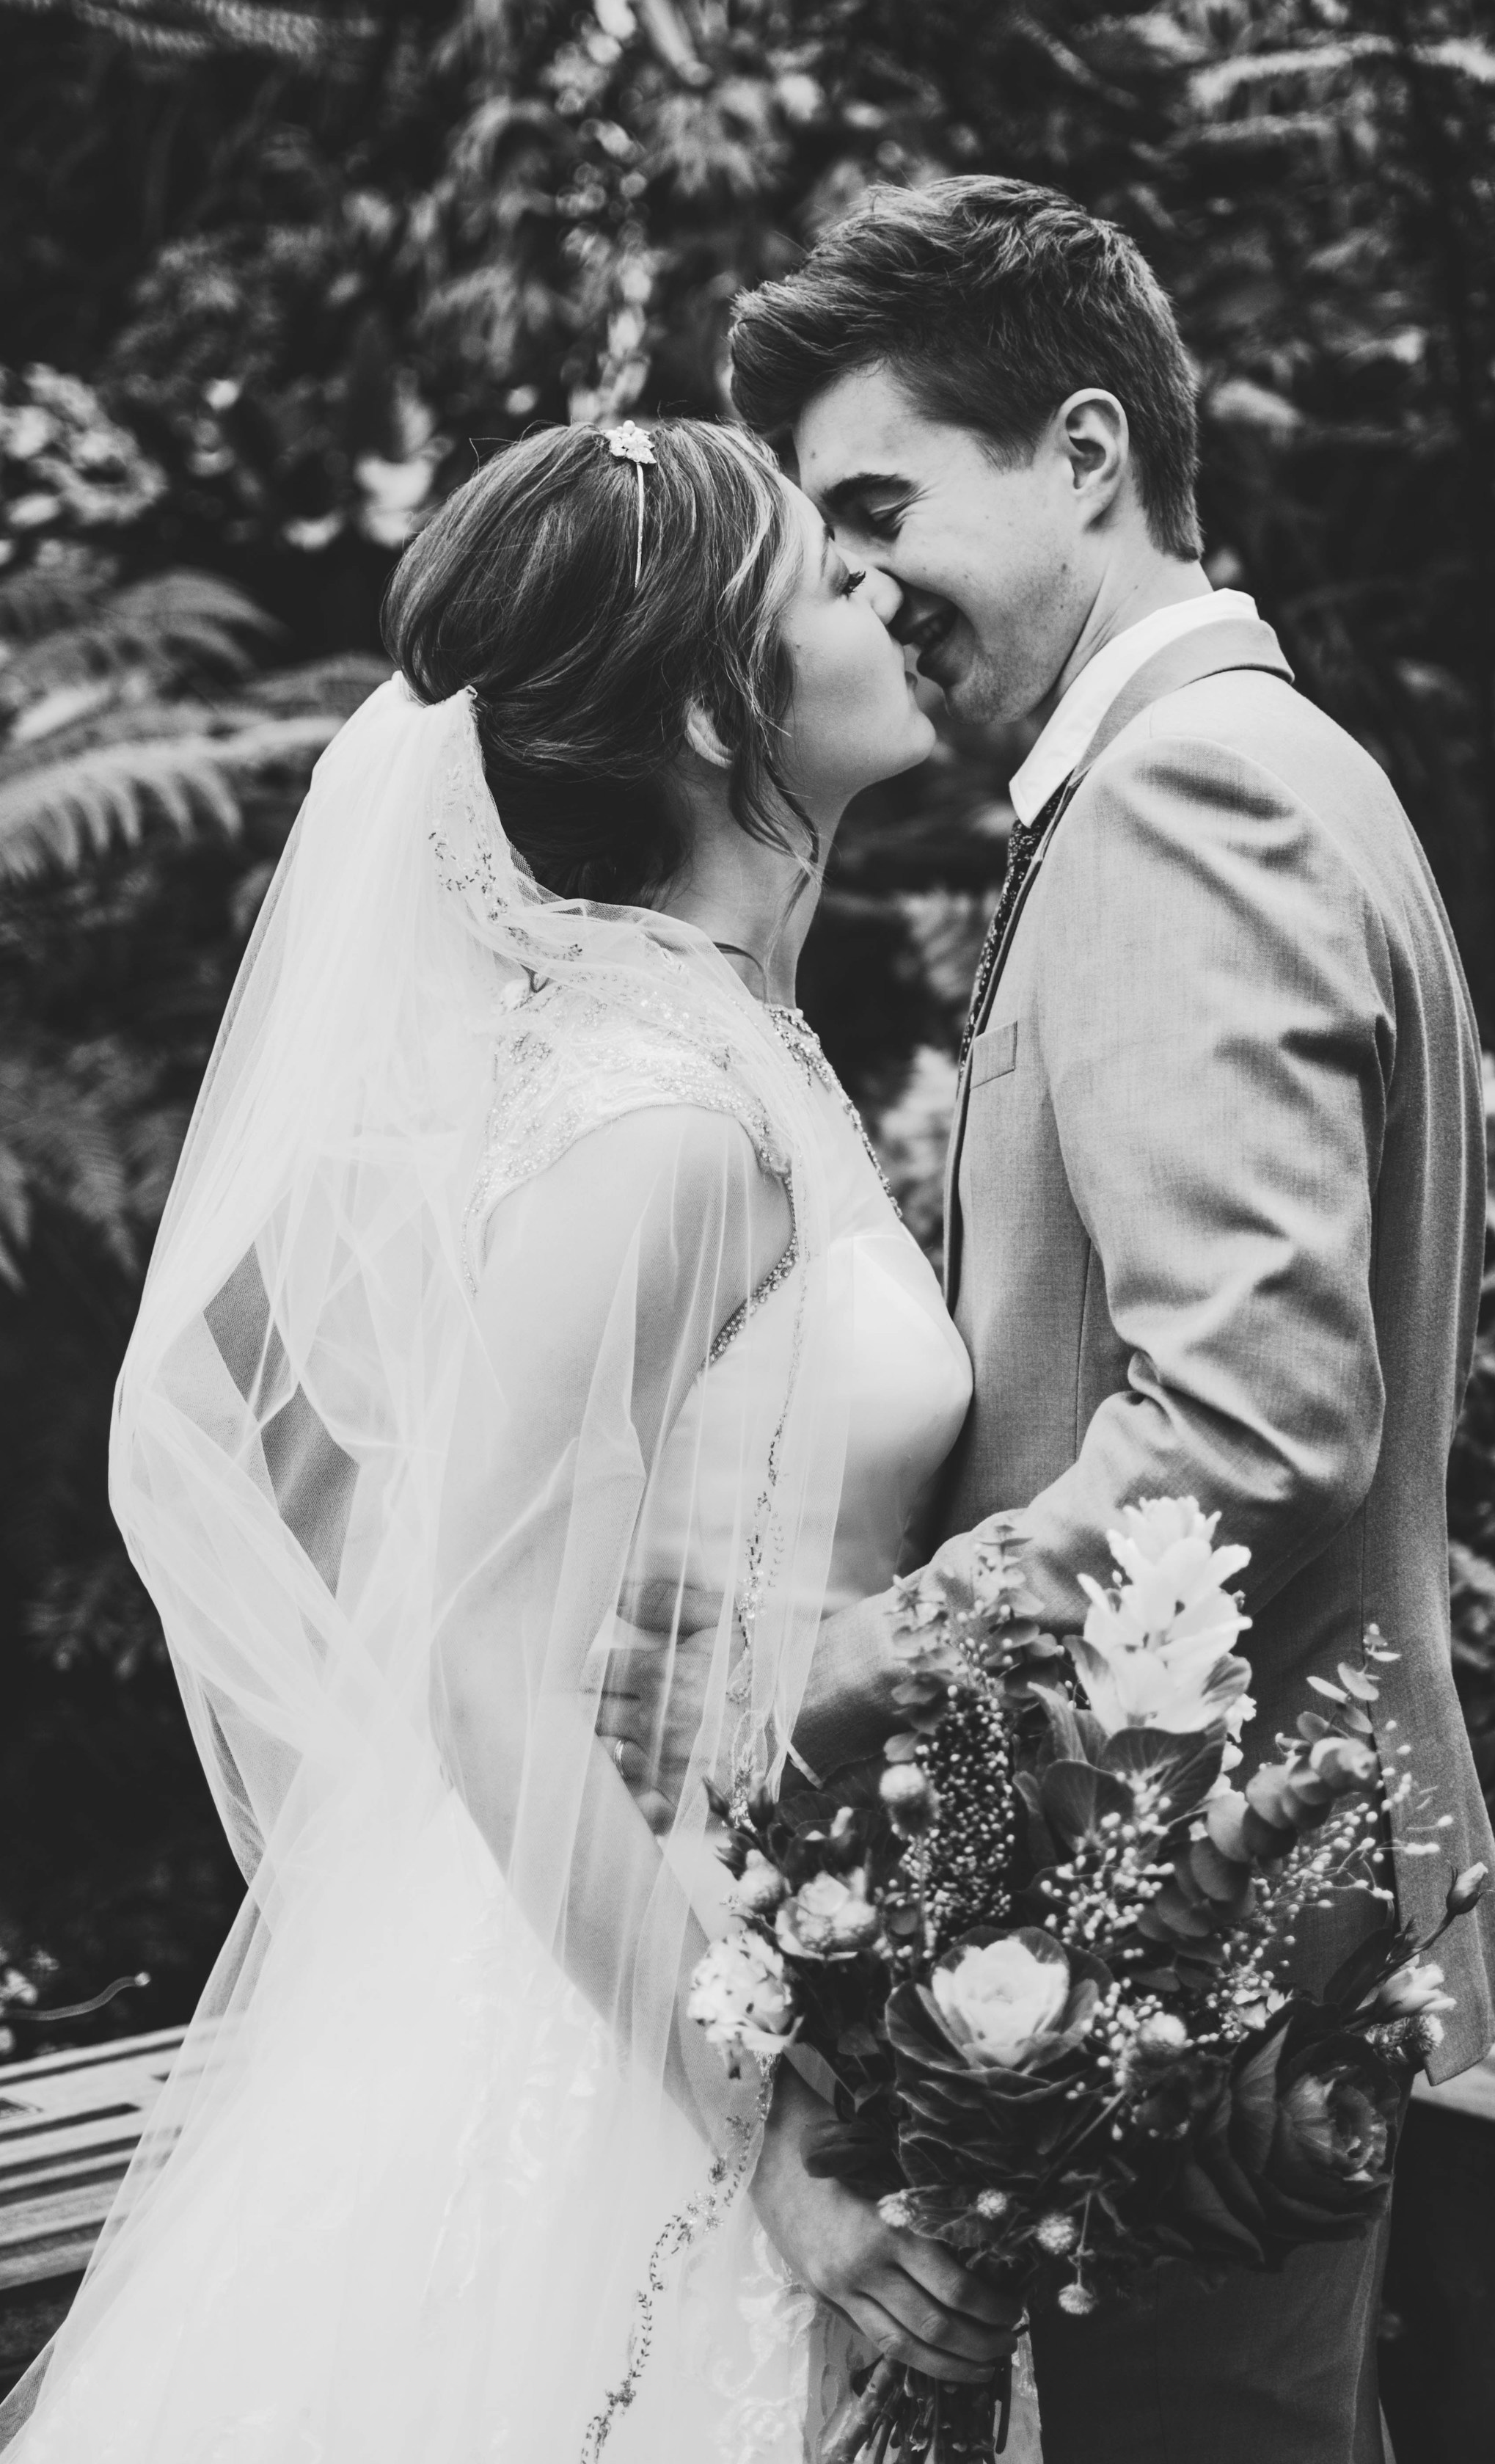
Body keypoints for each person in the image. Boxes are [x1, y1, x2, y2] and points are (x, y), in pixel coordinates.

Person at [613, 175, 1495, 2462]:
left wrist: (851, 1664)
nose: (852, 581)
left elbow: (1251, 1420)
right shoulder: (1266, 761)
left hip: (1207, 1922)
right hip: (1240, 1912)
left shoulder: (1187, 796)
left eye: (882, 505)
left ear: (1091, 455)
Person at [0, 419, 1020, 2464]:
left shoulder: (719, 1051)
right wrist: (776, 2138)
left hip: (749, 1925)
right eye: (829, 578)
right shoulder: (661, 1124)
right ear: (713, 706)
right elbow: (484, 1661)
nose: (882, 595)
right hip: (644, 2052)